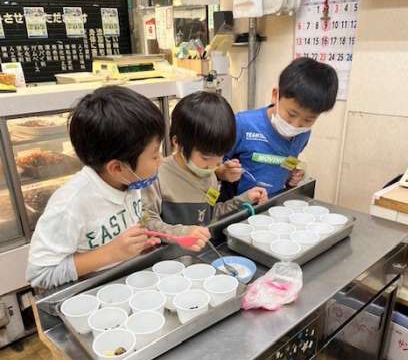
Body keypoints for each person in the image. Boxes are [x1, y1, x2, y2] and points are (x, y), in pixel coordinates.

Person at [26, 86, 207, 290]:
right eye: (154, 155)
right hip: (94, 293)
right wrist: (111, 253)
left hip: (130, 283)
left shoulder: (129, 182)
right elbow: (39, 275)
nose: (160, 161)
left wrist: (152, 241)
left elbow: (133, 225)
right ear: (116, 168)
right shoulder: (70, 206)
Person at [142, 91, 268, 235]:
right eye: (205, 157)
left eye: (220, 156)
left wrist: (244, 199)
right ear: (177, 142)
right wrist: (183, 233)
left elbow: (210, 215)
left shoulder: (210, 176)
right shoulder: (156, 177)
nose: (213, 165)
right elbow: (147, 221)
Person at [216, 57, 339, 197]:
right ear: (276, 95)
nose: (295, 125)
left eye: (308, 120)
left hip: (273, 203)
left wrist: (291, 177)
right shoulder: (242, 124)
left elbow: (286, 160)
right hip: (237, 205)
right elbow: (208, 167)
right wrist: (222, 173)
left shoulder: (303, 134)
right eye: (291, 114)